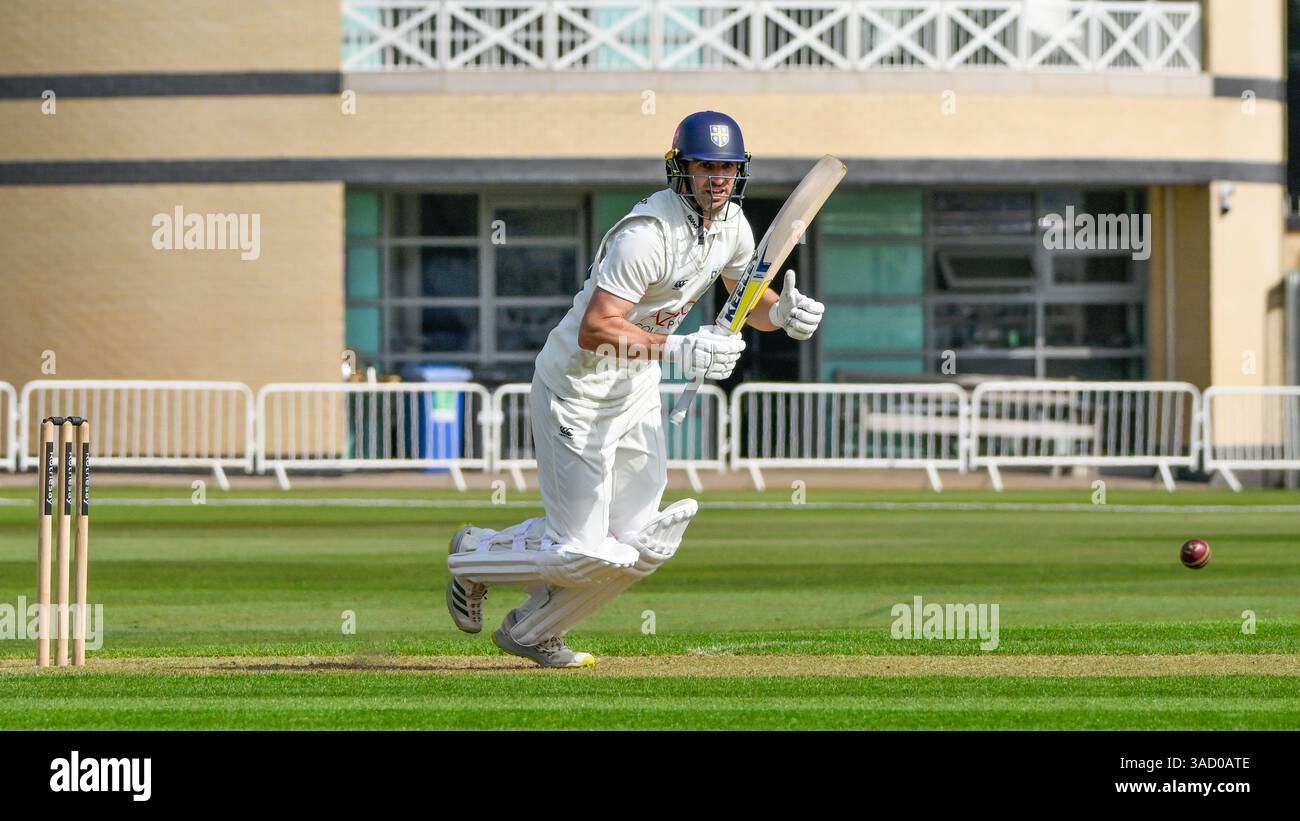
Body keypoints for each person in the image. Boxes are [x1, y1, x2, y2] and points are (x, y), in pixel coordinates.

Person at [445, 111, 825, 667]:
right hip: (576, 389)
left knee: (640, 541)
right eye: (706, 166)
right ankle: (474, 555)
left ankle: (533, 630)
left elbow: (750, 301)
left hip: (636, 387)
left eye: (728, 167)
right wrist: (677, 348)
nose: (718, 179)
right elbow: (596, 327)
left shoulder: (734, 228)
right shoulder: (645, 235)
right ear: (681, 169)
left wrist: (784, 313)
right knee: (580, 551)